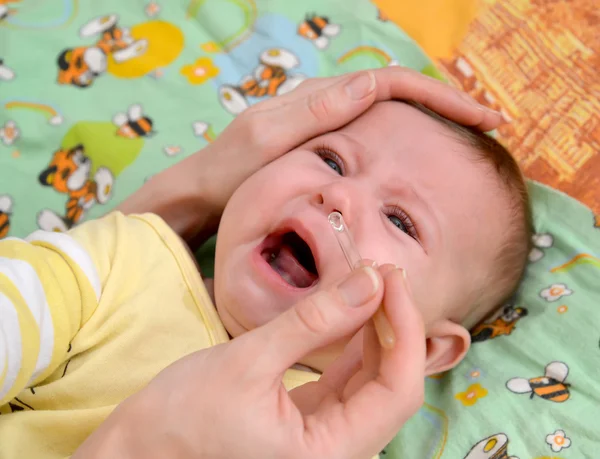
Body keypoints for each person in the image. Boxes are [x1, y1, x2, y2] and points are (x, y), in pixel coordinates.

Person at [0, 68, 510, 459]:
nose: (337, 194)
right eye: (332, 160)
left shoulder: (340, 443)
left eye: (400, 220)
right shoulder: (126, 260)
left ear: (423, 349)